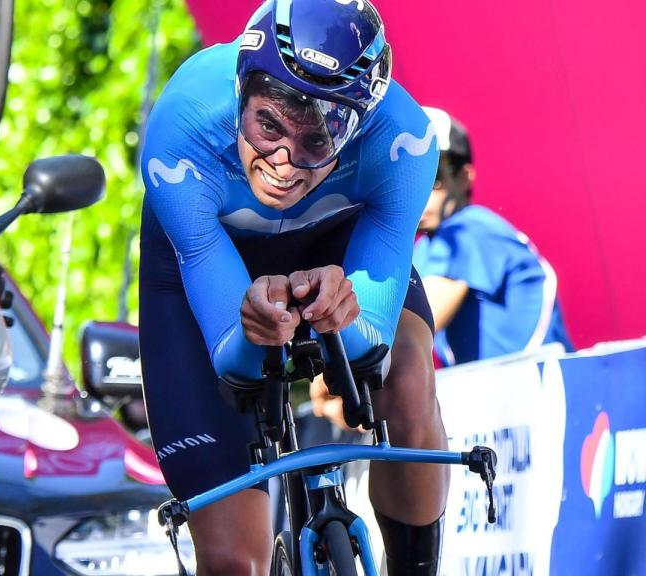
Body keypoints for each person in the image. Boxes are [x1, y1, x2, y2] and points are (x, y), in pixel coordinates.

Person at [138, 0, 448, 573]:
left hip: (336, 243)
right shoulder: (181, 125)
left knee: (405, 377)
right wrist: (255, 333)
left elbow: (369, 345)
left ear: (358, 125)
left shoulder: (404, 141)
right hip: (207, 258)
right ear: (240, 89)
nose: (283, 161)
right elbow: (233, 357)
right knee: (234, 560)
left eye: (318, 138)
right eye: (269, 124)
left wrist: (345, 318)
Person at [413, 106, 574, 365]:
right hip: (503, 394)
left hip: (540, 394)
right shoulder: (424, 247)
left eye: (434, 178)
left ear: (465, 177)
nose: (418, 193)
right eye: (408, 176)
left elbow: (411, 331)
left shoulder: (469, 229)